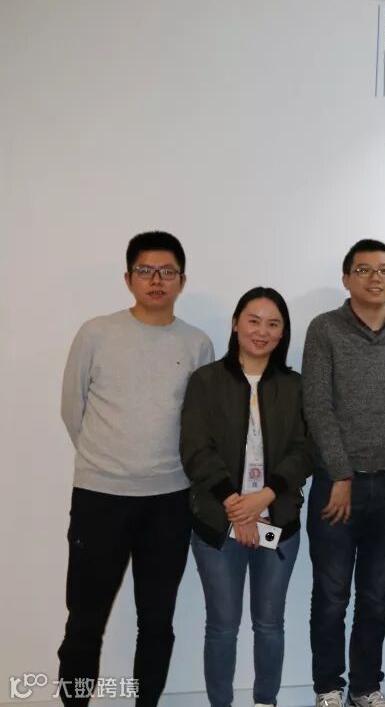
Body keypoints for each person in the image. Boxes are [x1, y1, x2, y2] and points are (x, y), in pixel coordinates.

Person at [58, 231, 214, 707]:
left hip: (169, 502)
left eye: (167, 272)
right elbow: (72, 408)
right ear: (128, 278)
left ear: (182, 280)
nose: (156, 280)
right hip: (100, 499)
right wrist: (109, 463)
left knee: (157, 621)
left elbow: (201, 423)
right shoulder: (96, 333)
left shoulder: (197, 343)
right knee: (85, 621)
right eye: (146, 270)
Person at [303, 239, 385, 707]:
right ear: (346, 278)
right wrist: (341, 474)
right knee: (331, 595)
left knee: (376, 596)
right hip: (339, 486)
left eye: (384, 270)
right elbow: (317, 406)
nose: (376, 278)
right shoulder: (324, 329)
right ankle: (328, 688)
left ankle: (366, 687)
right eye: (364, 269)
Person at [181, 287, 312, 707]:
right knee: (222, 626)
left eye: (273, 324)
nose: (262, 331)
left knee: (270, 624)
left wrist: (265, 497)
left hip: (278, 522)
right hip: (218, 523)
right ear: (236, 323)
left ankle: (264, 702)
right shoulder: (206, 381)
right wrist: (238, 508)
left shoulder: (294, 386)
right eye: (253, 320)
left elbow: (304, 449)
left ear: (283, 332)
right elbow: (195, 449)